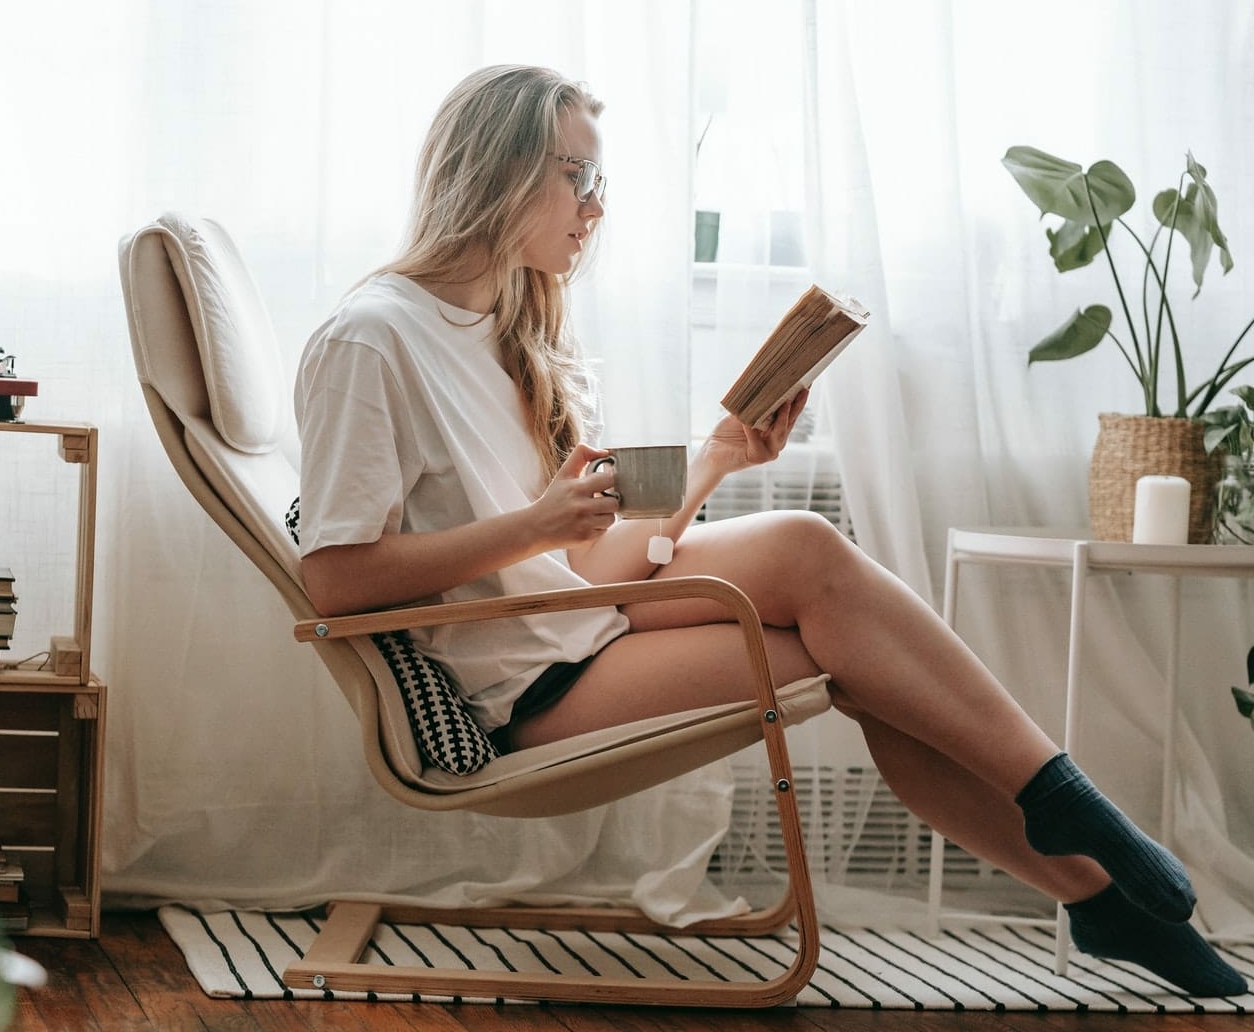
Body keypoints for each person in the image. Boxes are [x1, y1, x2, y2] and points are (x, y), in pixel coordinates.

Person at [293, 64, 1246, 998]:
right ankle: (1088, 865)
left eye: (601, 180)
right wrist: (528, 525)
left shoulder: (513, 325)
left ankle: (1076, 839)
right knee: (861, 664)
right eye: (576, 176)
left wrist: (717, 457)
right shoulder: (370, 340)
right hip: (529, 687)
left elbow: (591, 556)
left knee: (803, 546)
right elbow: (336, 581)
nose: (596, 205)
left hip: (582, 614)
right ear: (496, 170)